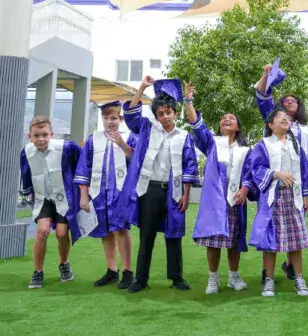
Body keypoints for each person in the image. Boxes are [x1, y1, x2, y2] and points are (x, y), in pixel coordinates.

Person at [122, 77, 199, 292]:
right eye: (160, 114)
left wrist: (186, 194)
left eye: (168, 112)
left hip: (173, 192)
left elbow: (189, 167)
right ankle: (140, 279)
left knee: (173, 235)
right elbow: (131, 115)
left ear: (175, 113)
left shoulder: (184, 137)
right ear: (156, 116)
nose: (165, 117)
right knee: (146, 235)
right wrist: (142, 88)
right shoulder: (147, 130)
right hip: (150, 189)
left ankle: (176, 277)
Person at [185, 83, 250, 294]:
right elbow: (196, 124)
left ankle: (233, 276)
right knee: (213, 239)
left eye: (231, 118)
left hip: (235, 199)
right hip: (215, 201)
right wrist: (189, 101)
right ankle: (213, 278)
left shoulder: (245, 150)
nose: (226, 120)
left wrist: (245, 190)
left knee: (234, 239)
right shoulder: (212, 143)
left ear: (238, 127)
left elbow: (250, 174)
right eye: (223, 118)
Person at [254, 62, 308, 281]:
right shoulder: (273, 123)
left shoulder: (306, 129)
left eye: (294, 101)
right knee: (270, 229)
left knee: (294, 229)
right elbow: (261, 95)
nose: (290, 104)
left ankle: (291, 267)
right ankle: (266, 272)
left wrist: (306, 191)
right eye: (285, 101)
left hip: (295, 187)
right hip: (274, 186)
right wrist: (265, 74)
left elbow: (306, 161)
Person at [245, 107, 308, 297]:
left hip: (294, 197)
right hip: (273, 197)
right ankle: (269, 280)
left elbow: (303, 169)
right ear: (270, 124)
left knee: (296, 240)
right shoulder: (263, 145)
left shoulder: (295, 143)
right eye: (279, 117)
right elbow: (256, 169)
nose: (285, 119)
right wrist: (276, 174)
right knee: (270, 241)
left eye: (286, 117)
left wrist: (305, 194)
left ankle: (299, 278)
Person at [74, 101, 137, 288]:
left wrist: (122, 144)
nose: (110, 122)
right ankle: (112, 270)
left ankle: (127, 271)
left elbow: (136, 160)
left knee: (120, 229)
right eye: (106, 118)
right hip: (99, 192)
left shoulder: (129, 138)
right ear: (101, 119)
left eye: (113, 118)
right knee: (105, 231)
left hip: (120, 193)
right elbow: (83, 169)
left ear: (121, 119)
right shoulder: (93, 139)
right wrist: (84, 196)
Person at [20, 116, 82, 288]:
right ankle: (37, 271)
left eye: (45, 135)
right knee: (41, 232)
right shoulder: (26, 152)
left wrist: (82, 190)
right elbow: (25, 173)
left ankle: (64, 264)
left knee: (62, 234)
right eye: (36, 135)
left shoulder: (66, 147)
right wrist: (28, 194)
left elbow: (82, 165)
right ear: (29, 136)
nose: (41, 139)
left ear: (51, 134)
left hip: (64, 196)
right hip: (43, 197)